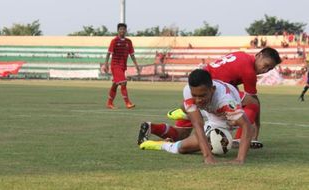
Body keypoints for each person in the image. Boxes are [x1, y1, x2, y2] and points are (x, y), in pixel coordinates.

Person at [138, 47, 282, 148]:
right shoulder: (249, 71)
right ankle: (239, 139)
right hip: (209, 91)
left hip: (197, 87)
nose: (265, 70)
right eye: (266, 65)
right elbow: (253, 101)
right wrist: (257, 125)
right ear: (259, 55)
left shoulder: (241, 55)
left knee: (181, 134)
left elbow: (229, 80)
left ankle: (151, 126)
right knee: (252, 105)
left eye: (269, 69)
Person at [139, 69, 253, 165]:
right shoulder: (188, 91)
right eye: (195, 95)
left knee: (214, 145)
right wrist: (207, 156)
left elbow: (247, 126)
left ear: (212, 90)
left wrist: (240, 159)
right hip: (208, 109)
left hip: (221, 117)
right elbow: (198, 124)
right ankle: (184, 115)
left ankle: (184, 116)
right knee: (187, 141)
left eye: (202, 95)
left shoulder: (225, 101)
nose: (198, 99)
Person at [101, 23, 140, 109]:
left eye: (124, 29)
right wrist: (106, 64)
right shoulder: (114, 41)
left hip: (123, 66)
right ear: (118, 30)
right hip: (115, 65)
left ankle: (109, 103)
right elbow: (108, 53)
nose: (122, 31)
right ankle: (127, 103)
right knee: (123, 82)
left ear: (126, 30)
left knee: (115, 84)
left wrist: (136, 65)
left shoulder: (128, 42)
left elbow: (132, 55)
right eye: (120, 29)